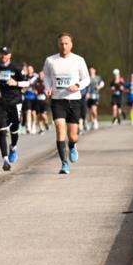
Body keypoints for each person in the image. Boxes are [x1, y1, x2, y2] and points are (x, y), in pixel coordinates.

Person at [42, 33, 90, 175]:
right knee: (59, 128)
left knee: (73, 135)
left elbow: (86, 79)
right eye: (61, 43)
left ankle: (73, 145)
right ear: (58, 45)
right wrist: (47, 87)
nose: (64, 46)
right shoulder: (50, 60)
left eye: (66, 43)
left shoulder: (79, 60)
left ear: (71, 45)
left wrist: (77, 85)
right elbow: (46, 76)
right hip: (58, 100)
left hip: (74, 100)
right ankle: (64, 163)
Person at [0, 46, 33, 171]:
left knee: (14, 129)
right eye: (2, 54)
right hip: (1, 103)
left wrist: (16, 83)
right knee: (2, 131)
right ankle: (5, 160)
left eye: (6, 54)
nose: (4, 56)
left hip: (15, 102)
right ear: (0, 55)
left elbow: (27, 83)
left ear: (10, 55)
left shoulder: (16, 68)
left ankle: (13, 147)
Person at [22, 64, 38, 134]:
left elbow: (38, 86)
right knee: (28, 111)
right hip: (27, 97)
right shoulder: (25, 77)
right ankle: (28, 127)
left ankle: (33, 125)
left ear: (33, 70)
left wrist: (37, 90)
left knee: (33, 113)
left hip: (34, 97)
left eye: (30, 69)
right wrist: (24, 89)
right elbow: (23, 87)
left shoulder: (36, 77)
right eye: (28, 69)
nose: (29, 70)